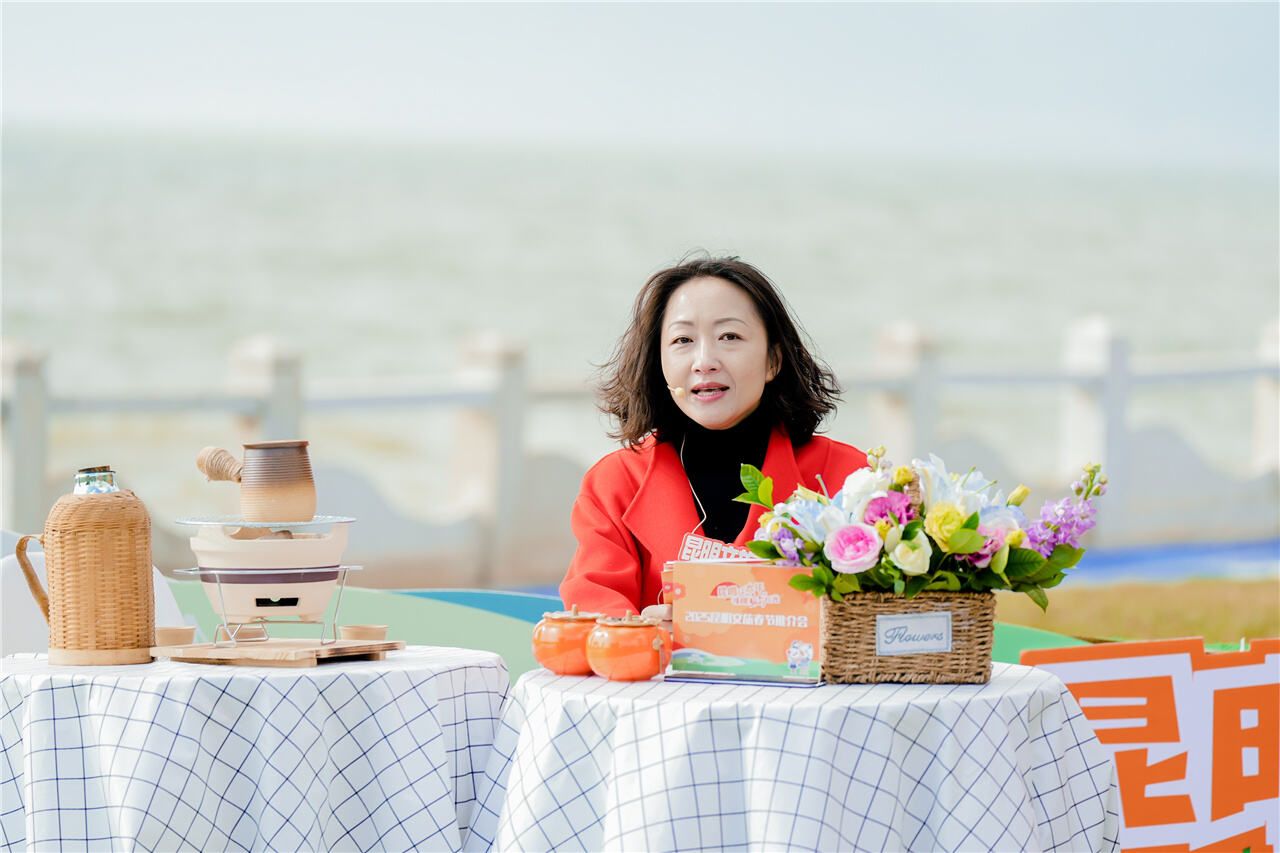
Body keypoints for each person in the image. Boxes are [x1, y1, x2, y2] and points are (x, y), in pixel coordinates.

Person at [559, 256, 869, 617]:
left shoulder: (851, 479)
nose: (704, 361)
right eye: (683, 340)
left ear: (773, 360)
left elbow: (880, 616)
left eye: (729, 337)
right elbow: (592, 612)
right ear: (659, 363)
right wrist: (646, 631)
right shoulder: (614, 484)